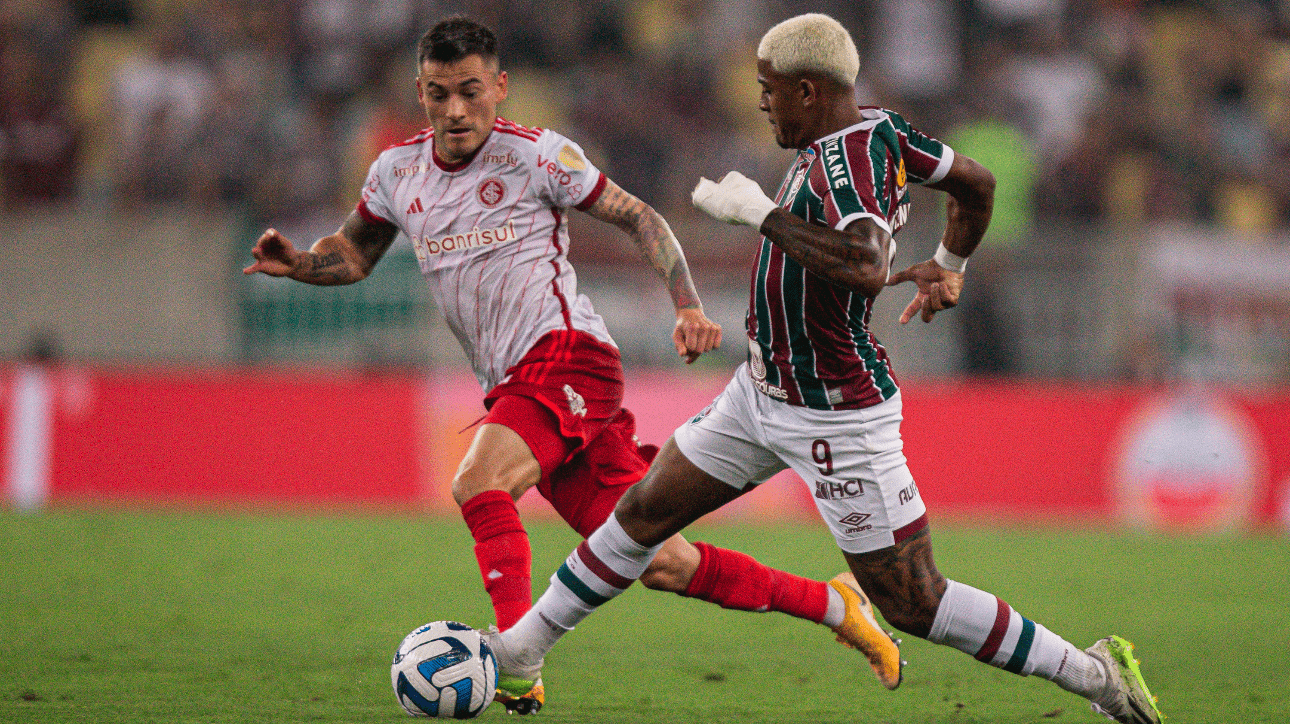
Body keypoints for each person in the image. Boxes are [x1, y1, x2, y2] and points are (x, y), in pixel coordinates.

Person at [485, 14, 1164, 724]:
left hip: (835, 413)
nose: (761, 102)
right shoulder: (879, 129)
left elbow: (869, 267)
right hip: (760, 390)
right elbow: (977, 182)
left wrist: (761, 214)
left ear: (808, 90)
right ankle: (522, 650)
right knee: (643, 513)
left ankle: (1092, 674)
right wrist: (951, 265)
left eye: (768, 90)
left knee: (913, 600)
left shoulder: (854, 165)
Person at [244, 17, 903, 715]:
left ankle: (518, 661)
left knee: (477, 481)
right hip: (513, 384)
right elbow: (353, 253)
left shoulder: (538, 156)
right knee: (661, 560)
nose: (456, 109)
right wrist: (302, 266)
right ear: (421, 93)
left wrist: (685, 305)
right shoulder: (395, 172)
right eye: (439, 94)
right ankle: (835, 605)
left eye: (471, 91)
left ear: (499, 88)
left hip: (567, 358)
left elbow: (640, 217)